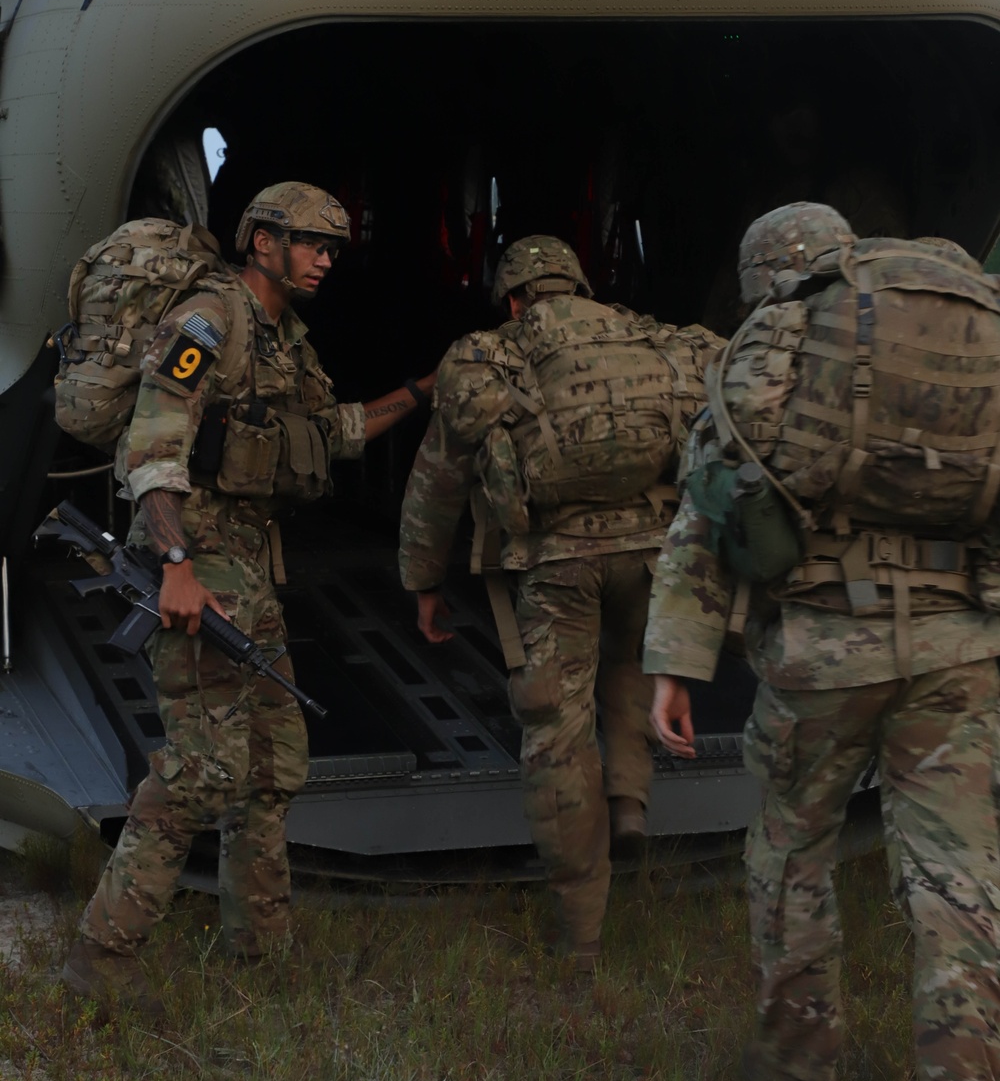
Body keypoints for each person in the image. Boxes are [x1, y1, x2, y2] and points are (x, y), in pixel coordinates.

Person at [645, 203, 1000, 1081]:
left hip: (823, 648)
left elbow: (709, 499)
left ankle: (797, 1067)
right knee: (958, 877)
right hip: (958, 646)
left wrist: (675, 665)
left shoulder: (784, 327)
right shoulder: (964, 318)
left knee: (791, 848)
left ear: (766, 270)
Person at [61, 181, 436, 1010]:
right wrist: (178, 566)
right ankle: (102, 955)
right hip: (199, 561)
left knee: (270, 767)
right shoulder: (209, 319)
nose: (325, 258)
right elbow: (154, 446)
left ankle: (261, 953)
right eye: (309, 241)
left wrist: (418, 392)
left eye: (334, 246)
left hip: (251, 569)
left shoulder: (284, 337)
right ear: (261, 242)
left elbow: (328, 431)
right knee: (202, 769)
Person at [398, 235, 721, 971]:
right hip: (656, 554)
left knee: (556, 731)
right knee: (633, 660)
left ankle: (581, 933)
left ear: (514, 298)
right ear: (581, 285)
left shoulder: (488, 356)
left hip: (556, 565)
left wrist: (423, 580)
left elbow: (438, 481)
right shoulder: (655, 338)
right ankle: (631, 801)